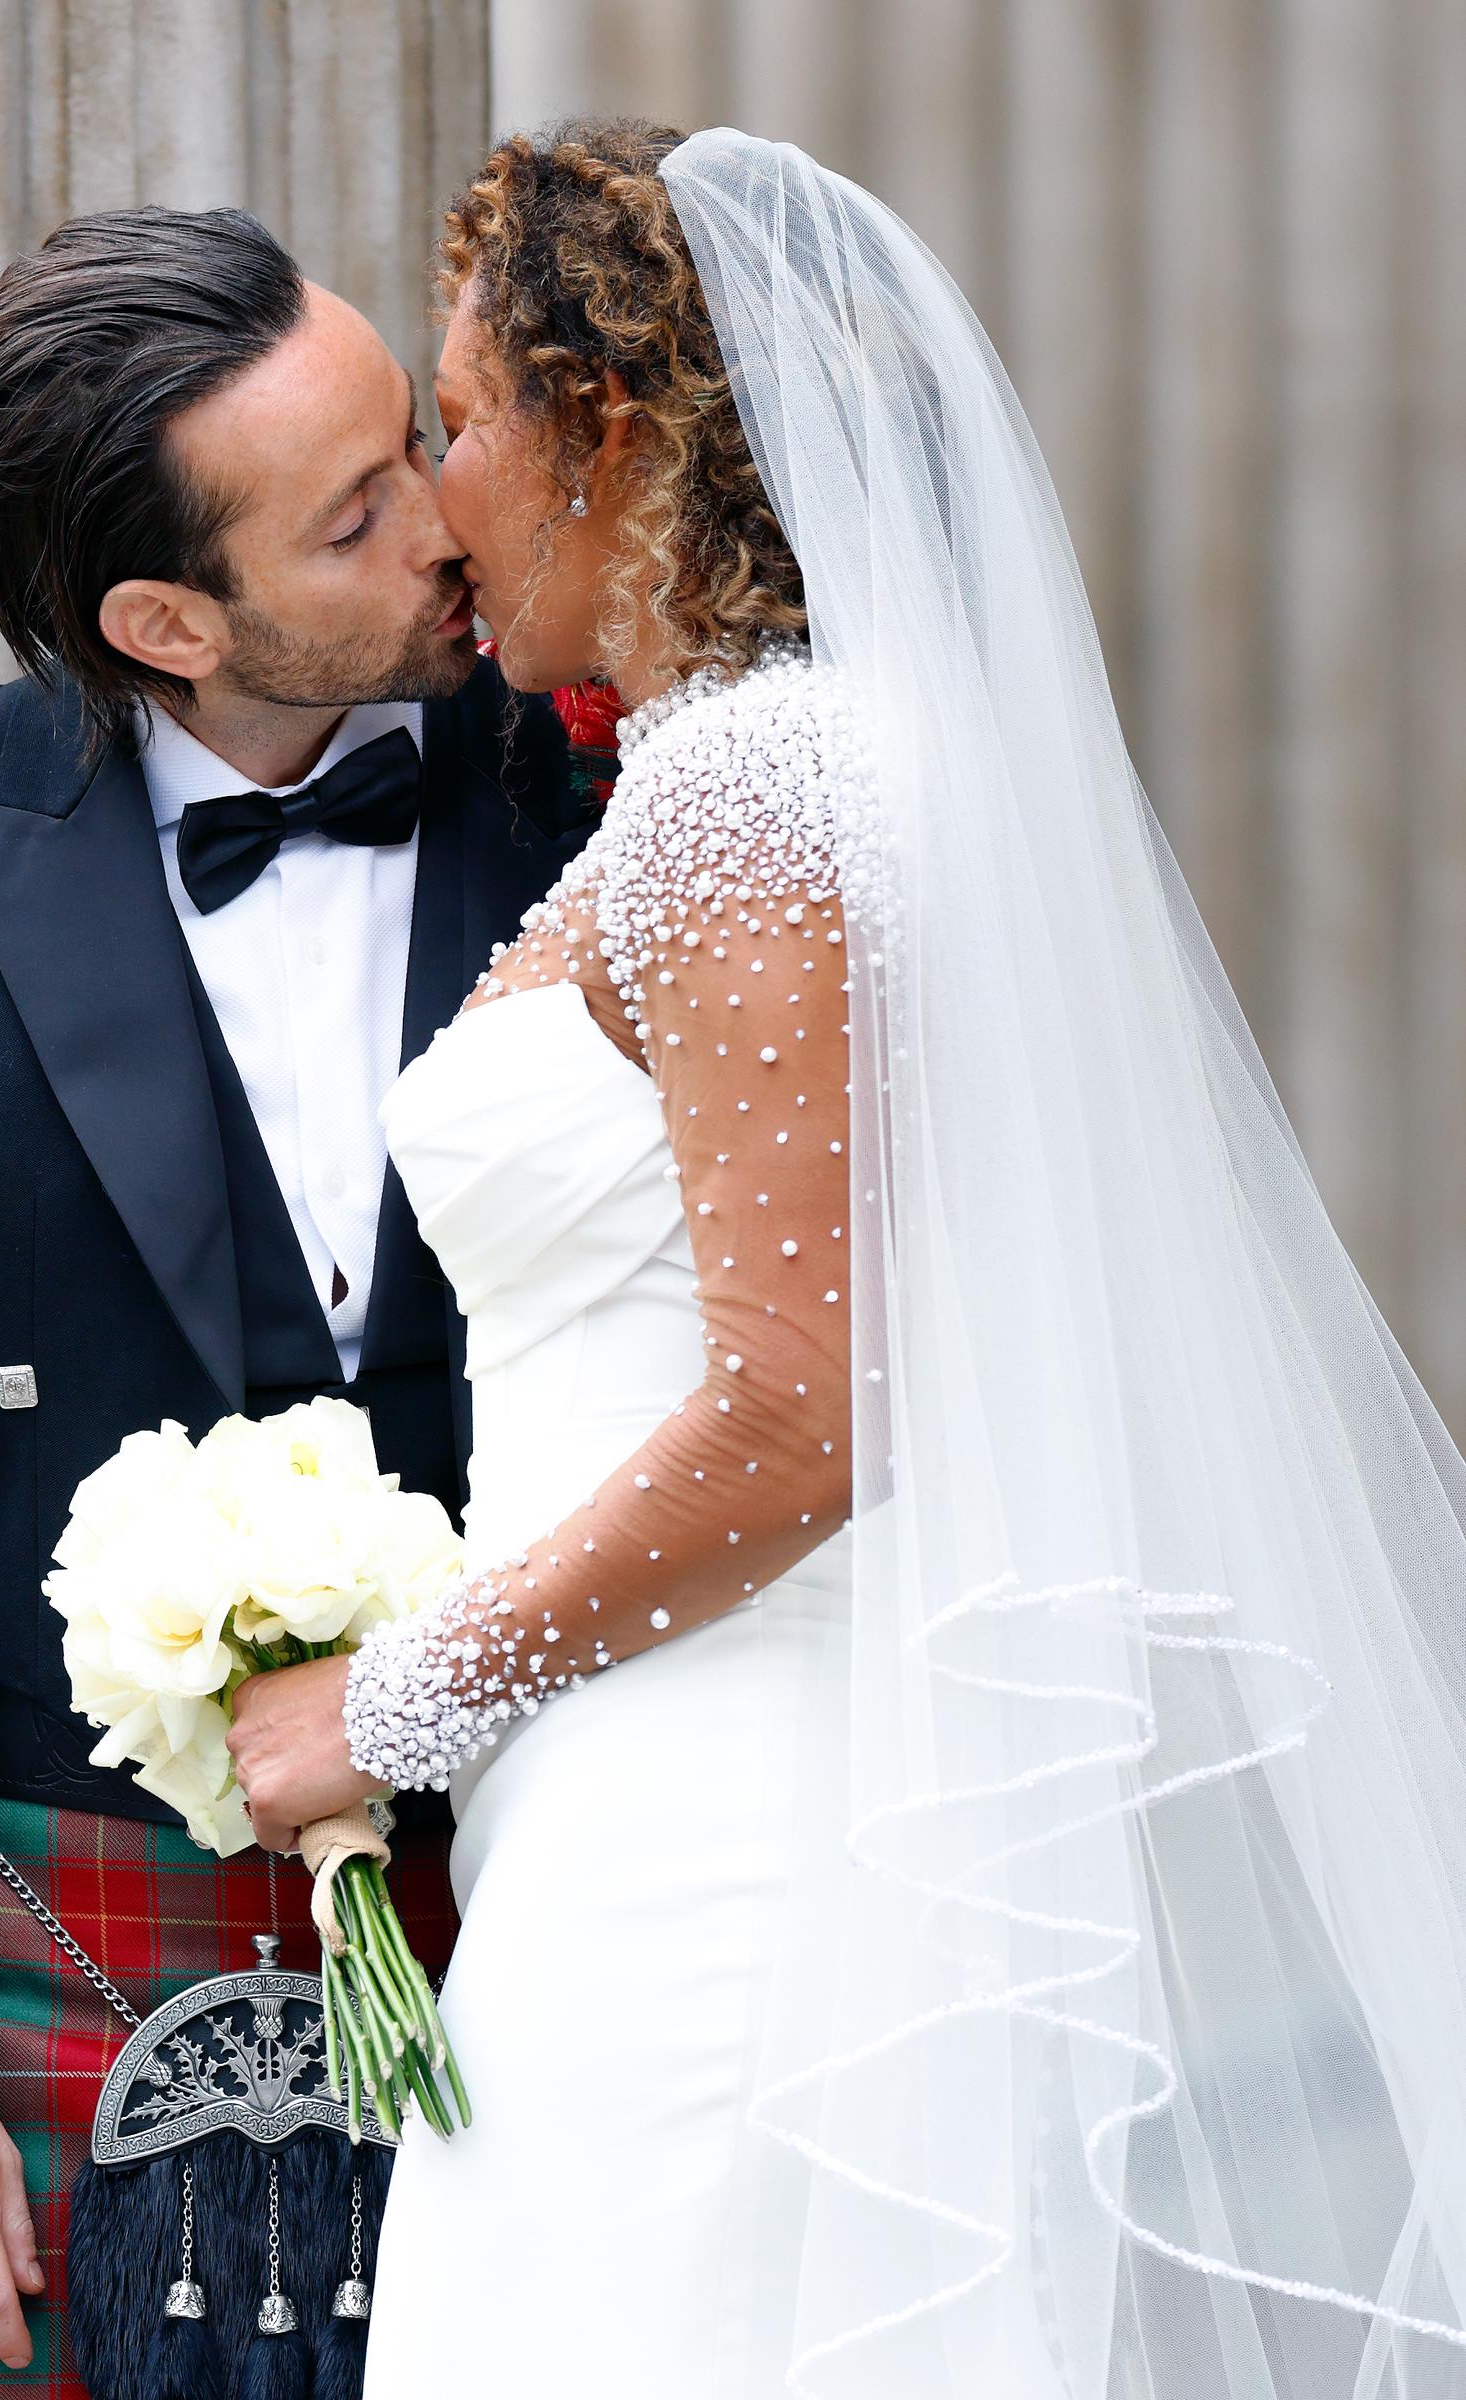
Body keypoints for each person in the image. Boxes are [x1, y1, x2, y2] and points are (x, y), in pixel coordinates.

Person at [228, 121, 1466, 2398]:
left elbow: (815, 1408)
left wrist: (388, 1709)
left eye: (465, 423)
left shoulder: (756, 792)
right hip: (653, 1784)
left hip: (718, 1827)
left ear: (608, 434)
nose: (438, 502)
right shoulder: (789, 769)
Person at [0, 205, 589, 2392]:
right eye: (362, 511)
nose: (453, 521)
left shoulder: (604, 790)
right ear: (165, 616)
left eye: (426, 439)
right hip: (60, 1911)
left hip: (557, 1898)